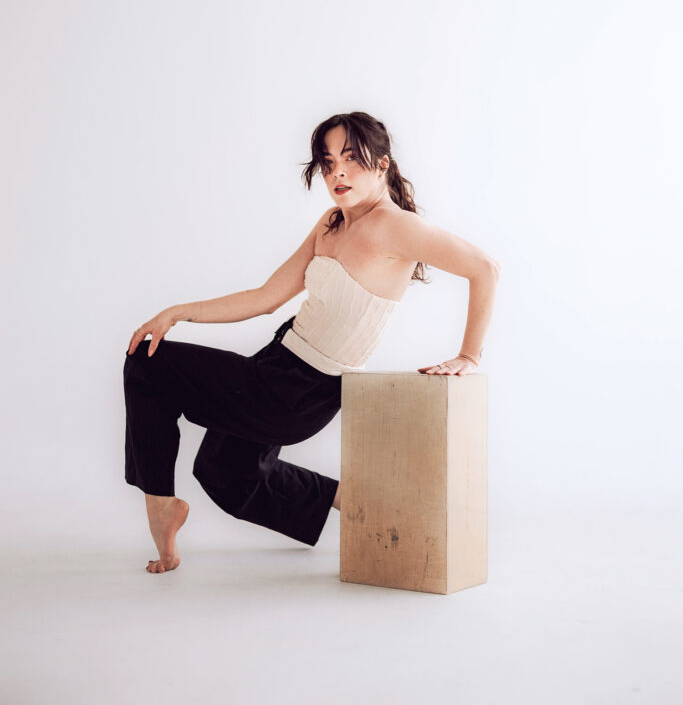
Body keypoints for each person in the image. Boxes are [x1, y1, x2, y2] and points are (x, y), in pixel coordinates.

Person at [123, 111, 501, 573]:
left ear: (382, 164)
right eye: (326, 162)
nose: (336, 172)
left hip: (306, 390)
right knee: (223, 472)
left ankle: (159, 502)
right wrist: (178, 312)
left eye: (350, 159)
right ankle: (351, 499)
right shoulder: (331, 223)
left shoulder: (395, 226)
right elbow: (266, 298)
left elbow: (485, 268)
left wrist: (469, 355)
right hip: (277, 362)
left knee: (148, 365)